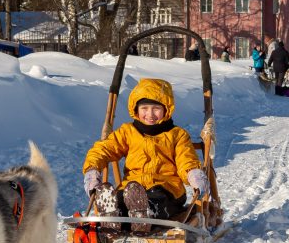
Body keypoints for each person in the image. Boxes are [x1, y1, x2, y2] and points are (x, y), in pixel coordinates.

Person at [82, 78, 209, 234]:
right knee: (121, 198)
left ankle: (145, 215)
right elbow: (103, 149)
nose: (150, 114)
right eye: (144, 108)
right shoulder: (127, 132)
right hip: (132, 188)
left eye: (156, 108)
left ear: (166, 109)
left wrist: (193, 174)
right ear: (135, 109)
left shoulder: (177, 135)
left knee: (156, 200)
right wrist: (92, 170)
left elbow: (186, 160)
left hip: (166, 189)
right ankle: (114, 216)